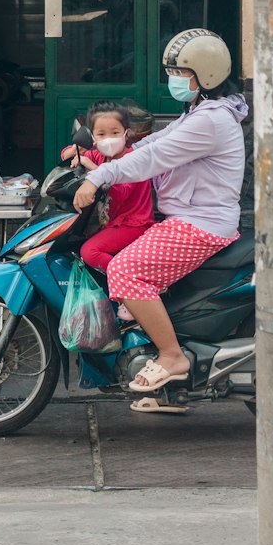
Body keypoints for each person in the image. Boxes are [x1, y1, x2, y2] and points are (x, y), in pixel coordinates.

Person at [73, 29, 248, 395]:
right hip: (187, 218)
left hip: (201, 224)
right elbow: (154, 142)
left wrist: (100, 176)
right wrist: (109, 154)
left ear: (206, 75)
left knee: (124, 268)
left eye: (181, 74)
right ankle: (168, 388)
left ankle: (171, 357)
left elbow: (153, 158)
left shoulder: (211, 120)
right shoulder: (199, 111)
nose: (174, 81)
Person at [60, 102, 155, 273]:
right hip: (110, 224)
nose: (108, 139)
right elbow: (68, 152)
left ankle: (132, 281)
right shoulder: (99, 155)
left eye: (115, 133)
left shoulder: (132, 159)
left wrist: (95, 171)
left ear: (126, 133)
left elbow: (120, 191)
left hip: (133, 224)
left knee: (90, 252)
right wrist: (75, 151)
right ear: (93, 138)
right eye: (101, 134)